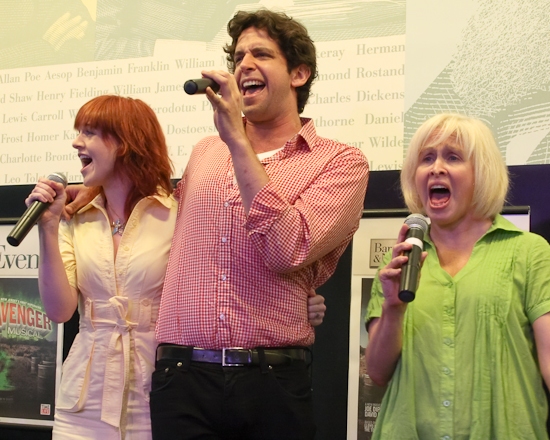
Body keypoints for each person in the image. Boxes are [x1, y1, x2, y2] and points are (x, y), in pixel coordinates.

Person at [34, 94, 326, 439]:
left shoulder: (179, 211)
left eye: (90, 132)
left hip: (158, 390)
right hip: (83, 399)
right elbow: (59, 310)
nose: (76, 142)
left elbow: (225, 270)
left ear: (127, 142)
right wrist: (47, 228)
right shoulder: (75, 217)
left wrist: (297, 301)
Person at [147, 8, 369, 440]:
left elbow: (289, 250)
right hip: (182, 378)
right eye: (239, 56)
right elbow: (173, 236)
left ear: (299, 73)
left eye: (262, 54)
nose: (244, 65)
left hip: (272, 382)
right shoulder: (204, 152)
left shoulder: (340, 162)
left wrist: (236, 140)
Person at [365, 113, 550, 439]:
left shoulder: (529, 252)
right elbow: (378, 373)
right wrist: (394, 308)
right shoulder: (398, 265)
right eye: (426, 158)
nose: (436, 167)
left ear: (483, 173)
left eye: (452, 157)